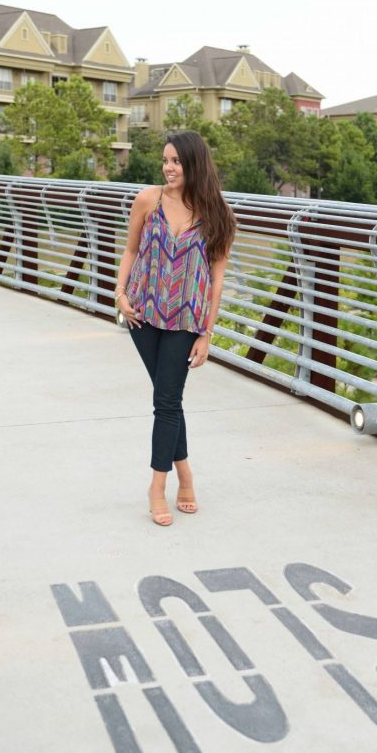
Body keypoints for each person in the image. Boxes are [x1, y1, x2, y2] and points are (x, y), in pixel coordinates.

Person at [114, 131, 237, 526]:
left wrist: (207, 333)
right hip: (143, 314)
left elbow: (216, 279)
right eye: (165, 161)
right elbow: (131, 249)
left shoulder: (217, 213)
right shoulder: (148, 200)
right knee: (169, 398)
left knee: (166, 401)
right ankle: (185, 474)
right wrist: (119, 293)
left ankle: (158, 485)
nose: (168, 168)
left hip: (186, 320)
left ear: (194, 164)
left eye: (176, 162)